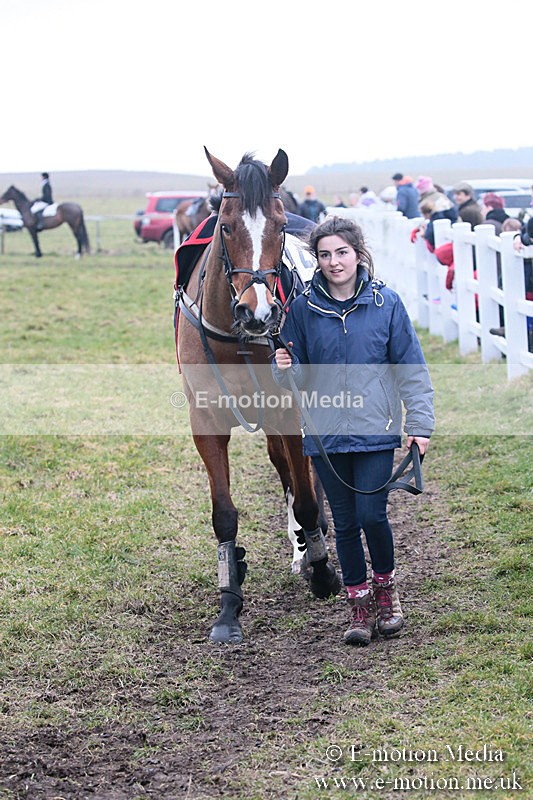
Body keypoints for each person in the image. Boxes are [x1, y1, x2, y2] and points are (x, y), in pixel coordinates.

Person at [272, 216, 434, 647]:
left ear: (358, 254)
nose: (333, 262)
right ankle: (358, 606)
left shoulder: (386, 304)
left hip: (376, 428)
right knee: (343, 524)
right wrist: (284, 368)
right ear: (317, 260)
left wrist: (419, 424)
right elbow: (294, 378)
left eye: (341, 252)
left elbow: (411, 369)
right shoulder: (302, 309)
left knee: (371, 515)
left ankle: (386, 594)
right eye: (324, 255)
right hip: (325, 433)